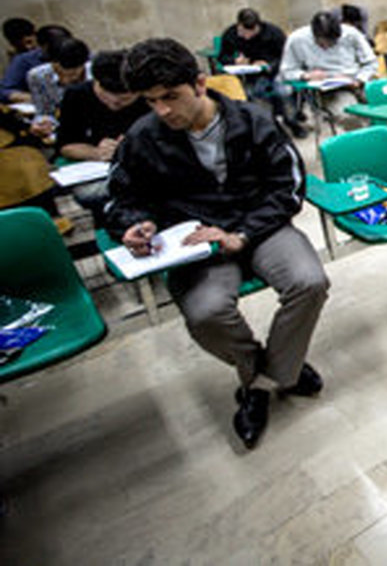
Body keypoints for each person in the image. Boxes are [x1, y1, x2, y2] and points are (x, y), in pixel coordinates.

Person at [106, 39, 329, 449]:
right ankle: (271, 370)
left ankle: (262, 384)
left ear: (200, 84)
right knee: (206, 313)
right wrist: (135, 223)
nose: (162, 110)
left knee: (309, 282)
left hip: (259, 227)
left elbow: (288, 187)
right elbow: (120, 198)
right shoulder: (142, 137)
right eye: (151, 101)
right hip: (196, 241)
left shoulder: (254, 120)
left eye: (170, 97)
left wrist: (242, 234)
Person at [56, 49, 148, 218]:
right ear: (96, 83)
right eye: (107, 97)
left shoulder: (148, 96)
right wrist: (97, 152)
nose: (115, 103)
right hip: (100, 170)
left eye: (126, 99)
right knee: (89, 194)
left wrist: (134, 145)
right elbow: (66, 145)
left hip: (143, 165)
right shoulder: (76, 95)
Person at [280, 10, 377, 130]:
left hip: (359, 80)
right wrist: (305, 75)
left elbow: (371, 62)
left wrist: (360, 79)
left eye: (333, 42)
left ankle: (386, 135)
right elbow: (286, 72)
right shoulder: (297, 39)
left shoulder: (351, 34)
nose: (327, 46)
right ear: (314, 35)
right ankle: (367, 138)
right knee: (348, 114)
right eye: (322, 43)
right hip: (331, 89)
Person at [217, 8, 303, 138]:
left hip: (275, 71)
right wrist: (234, 61)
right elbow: (222, 57)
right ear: (238, 25)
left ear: (258, 26)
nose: (246, 36)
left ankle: (292, 122)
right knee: (250, 94)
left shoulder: (273, 33)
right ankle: (268, 126)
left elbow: (286, 57)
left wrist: (268, 65)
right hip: (249, 75)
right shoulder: (231, 34)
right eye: (243, 32)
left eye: (250, 33)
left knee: (284, 91)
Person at [28, 35, 90, 134]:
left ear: (83, 65)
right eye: (58, 73)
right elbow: (44, 111)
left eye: (72, 75)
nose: (65, 80)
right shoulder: (38, 76)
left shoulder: (98, 75)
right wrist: (43, 123)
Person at [0, 24, 69, 104]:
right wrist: (37, 98)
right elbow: (5, 91)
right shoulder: (24, 60)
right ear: (43, 46)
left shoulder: (77, 55)